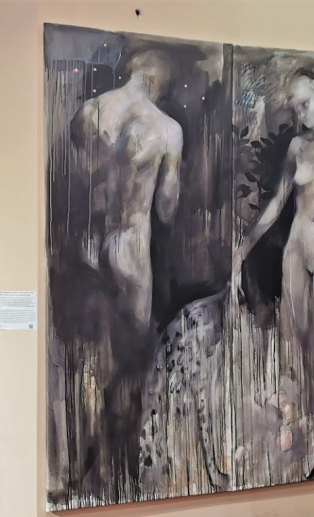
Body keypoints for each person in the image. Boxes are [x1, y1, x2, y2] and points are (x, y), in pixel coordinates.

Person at [232, 68, 314, 477]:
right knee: (296, 350)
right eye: (295, 108)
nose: (301, 113)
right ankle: (301, 431)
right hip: (295, 254)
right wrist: (245, 245)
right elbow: (278, 202)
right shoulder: (296, 148)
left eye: (305, 103)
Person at [69, 49, 183, 486]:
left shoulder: (90, 112)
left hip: (90, 246)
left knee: (91, 356)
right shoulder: (166, 129)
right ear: (158, 82)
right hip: (131, 247)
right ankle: (116, 465)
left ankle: (89, 460)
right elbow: (167, 209)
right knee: (132, 358)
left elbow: (77, 185)